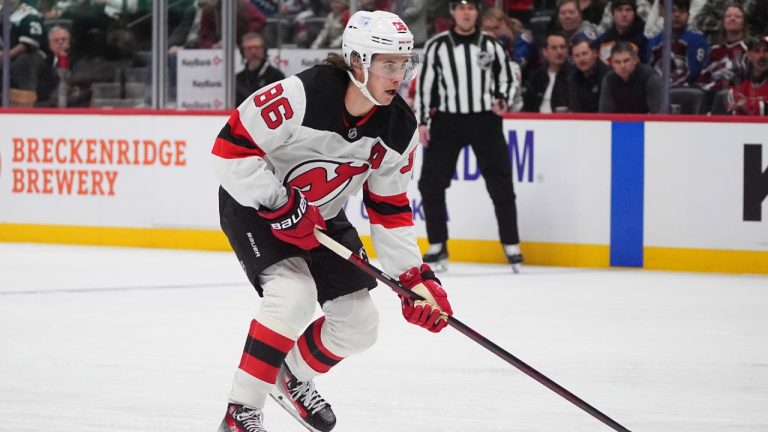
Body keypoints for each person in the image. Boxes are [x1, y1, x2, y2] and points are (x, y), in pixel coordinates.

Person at [212, 10, 453, 432]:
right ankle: (241, 411)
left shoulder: (398, 126)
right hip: (255, 207)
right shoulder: (301, 95)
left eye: (403, 63)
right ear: (358, 61)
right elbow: (230, 151)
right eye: (388, 64)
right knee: (292, 295)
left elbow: (390, 206)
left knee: (360, 324)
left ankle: (289, 377)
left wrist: (414, 279)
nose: (399, 75)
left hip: (321, 214)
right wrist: (281, 204)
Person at [415, 0, 524, 271]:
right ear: (453, 12)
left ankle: (511, 244)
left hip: (484, 120)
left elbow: (507, 77)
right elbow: (425, 86)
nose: (465, 12)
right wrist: (423, 122)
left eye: (471, 8)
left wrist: (504, 99)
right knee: (430, 183)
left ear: (477, 13)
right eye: (460, 7)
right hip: (447, 121)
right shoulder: (437, 45)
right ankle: (437, 244)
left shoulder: (491, 44)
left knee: (501, 182)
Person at [648, 0, 709, 87]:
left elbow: (694, 72)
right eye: (672, 11)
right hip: (658, 92)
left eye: (682, 11)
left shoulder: (697, 40)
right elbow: (649, 73)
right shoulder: (654, 42)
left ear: (688, 16)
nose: (677, 15)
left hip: (686, 92)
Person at [0, 0, 46, 106]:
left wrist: (6, 55)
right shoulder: (2, 12)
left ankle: (25, 105)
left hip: (32, 59)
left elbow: (29, 43)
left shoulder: (28, 14)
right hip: (7, 59)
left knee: (23, 62)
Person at [599, 40, 663, 112]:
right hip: (618, 122)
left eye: (626, 61)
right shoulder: (609, 80)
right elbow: (604, 116)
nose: (622, 66)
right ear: (612, 64)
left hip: (645, 122)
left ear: (635, 60)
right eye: (617, 62)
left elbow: (658, 116)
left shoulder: (650, 78)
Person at [523, 32, 571, 112]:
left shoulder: (574, 76)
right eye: (554, 48)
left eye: (562, 47)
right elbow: (528, 106)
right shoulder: (536, 77)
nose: (559, 52)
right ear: (545, 52)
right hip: (536, 122)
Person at [235, 33, 285, 106]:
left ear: (264, 50)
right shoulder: (238, 79)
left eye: (257, 47)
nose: (253, 51)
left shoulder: (277, 76)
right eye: (249, 48)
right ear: (243, 52)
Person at [727, 34, 768, 115]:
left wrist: (748, 105)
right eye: (757, 51)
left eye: (766, 51)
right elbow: (733, 109)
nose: (762, 55)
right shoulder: (738, 80)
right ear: (749, 55)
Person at [568, 34, 610, 112]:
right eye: (577, 56)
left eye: (584, 54)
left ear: (595, 53)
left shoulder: (608, 76)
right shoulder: (573, 77)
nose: (581, 59)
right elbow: (575, 110)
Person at [35, 25, 72, 107]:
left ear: (69, 42)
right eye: (56, 40)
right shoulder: (44, 64)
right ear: (50, 45)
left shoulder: (75, 62)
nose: (60, 42)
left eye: (63, 39)